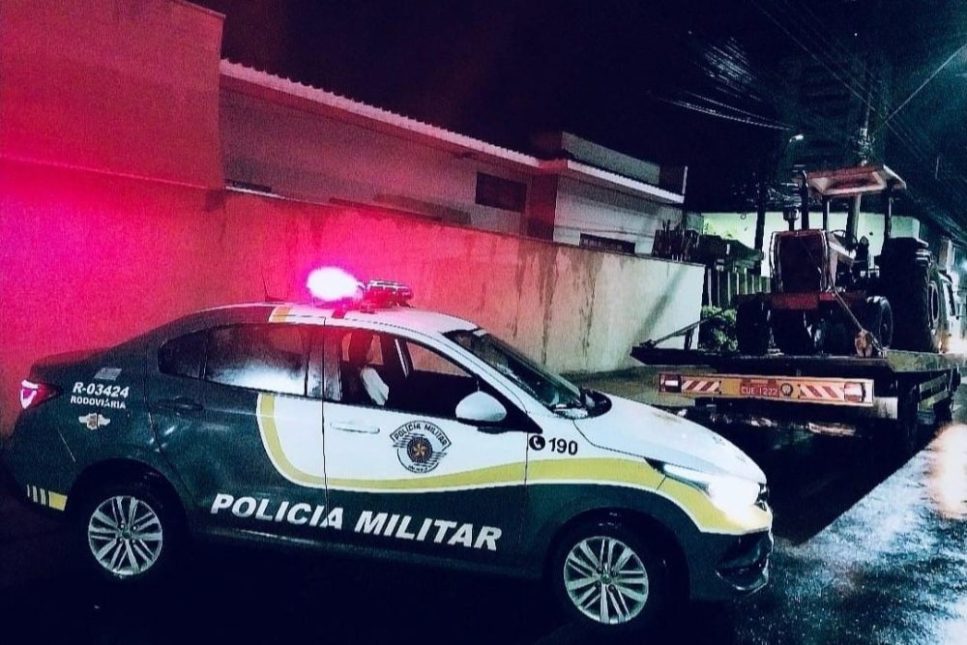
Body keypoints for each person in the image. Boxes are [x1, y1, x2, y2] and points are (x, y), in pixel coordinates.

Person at [346, 331, 388, 406]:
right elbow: (385, 397)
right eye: (370, 344)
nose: (373, 347)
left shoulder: (358, 372)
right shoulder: (368, 373)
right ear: (365, 348)